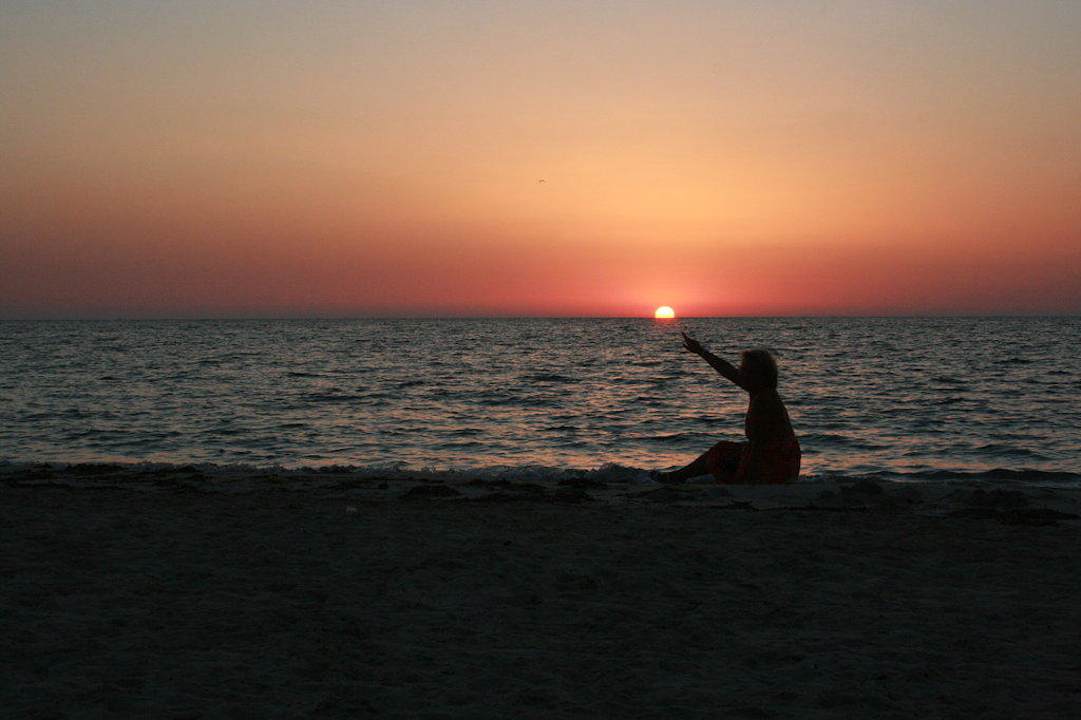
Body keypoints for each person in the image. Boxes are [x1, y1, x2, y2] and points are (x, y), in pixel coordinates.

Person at [655, 332, 800, 484]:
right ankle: (676, 477)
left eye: (748, 371)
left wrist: (741, 479)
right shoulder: (758, 390)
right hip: (778, 460)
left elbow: (763, 447)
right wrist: (701, 351)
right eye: (743, 369)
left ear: (762, 374)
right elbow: (728, 370)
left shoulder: (765, 400)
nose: (742, 373)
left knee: (720, 453)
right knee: (722, 450)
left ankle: (675, 478)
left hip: (777, 465)